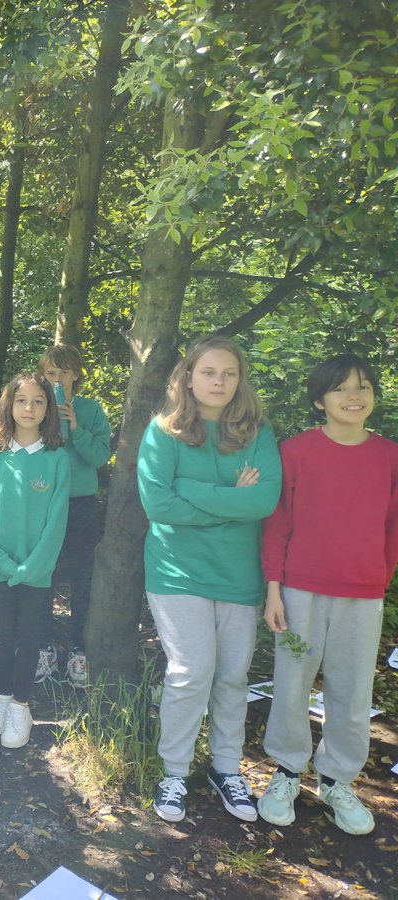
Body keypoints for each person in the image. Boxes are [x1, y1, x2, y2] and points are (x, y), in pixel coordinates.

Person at [137, 334, 280, 824]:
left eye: (229, 373)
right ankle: (174, 772)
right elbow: (157, 504)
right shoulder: (164, 432)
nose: (219, 381)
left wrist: (192, 491)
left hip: (238, 575)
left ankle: (225, 768)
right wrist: (228, 502)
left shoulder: (256, 432)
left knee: (233, 677)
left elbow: (262, 502)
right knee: (191, 671)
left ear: (240, 380)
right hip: (178, 571)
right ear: (188, 377)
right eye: (209, 372)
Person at [257, 354, 398, 836]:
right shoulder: (294, 451)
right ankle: (287, 770)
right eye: (340, 389)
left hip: (362, 592)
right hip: (298, 590)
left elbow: (392, 528)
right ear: (320, 400)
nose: (353, 396)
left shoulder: (389, 456)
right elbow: (277, 525)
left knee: (353, 691)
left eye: (362, 386)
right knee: (292, 682)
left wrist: (377, 578)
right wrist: (273, 587)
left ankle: (337, 777)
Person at [0, 373, 70, 750]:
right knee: (3, 635)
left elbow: (57, 519)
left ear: (48, 409)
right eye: (21, 400)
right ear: (8, 406)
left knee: (29, 637)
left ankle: (21, 705)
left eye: (38, 401)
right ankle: (1, 696)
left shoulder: (56, 459)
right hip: (0, 566)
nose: (29, 408)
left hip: (37, 569)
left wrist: (32, 567)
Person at [38, 344, 112, 688]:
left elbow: (99, 457)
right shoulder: (34, 408)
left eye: (63, 372)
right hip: (43, 505)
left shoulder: (90, 409)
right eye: (51, 373)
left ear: (76, 374)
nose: (57, 379)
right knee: (44, 577)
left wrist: (76, 427)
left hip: (81, 506)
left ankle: (80, 651)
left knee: (82, 579)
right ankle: (45, 647)